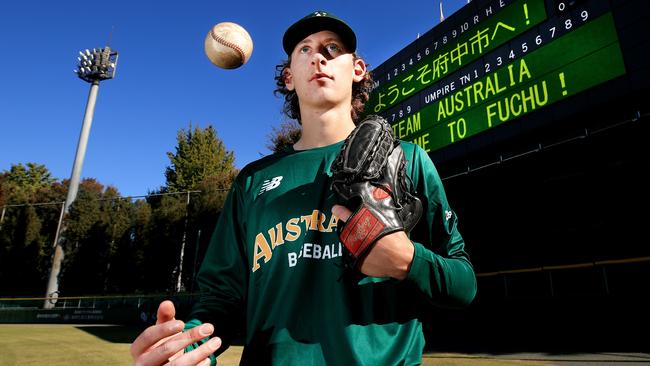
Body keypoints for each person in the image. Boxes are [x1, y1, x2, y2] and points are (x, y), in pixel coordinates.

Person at [131, 10, 477, 366]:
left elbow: (463, 283)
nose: (319, 56)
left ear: (357, 69)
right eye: (305, 50)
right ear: (289, 78)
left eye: (332, 48)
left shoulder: (406, 160)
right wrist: (189, 348)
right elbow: (222, 299)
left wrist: (410, 261)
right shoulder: (252, 180)